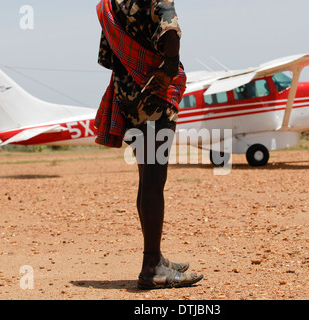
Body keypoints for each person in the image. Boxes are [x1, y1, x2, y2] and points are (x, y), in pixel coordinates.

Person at [94, 0, 203, 290]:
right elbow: (171, 29)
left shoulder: (110, 4)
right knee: (155, 179)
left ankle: (155, 258)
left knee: (147, 177)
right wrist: (168, 68)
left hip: (127, 97)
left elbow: (108, 57)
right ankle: (152, 267)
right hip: (154, 98)